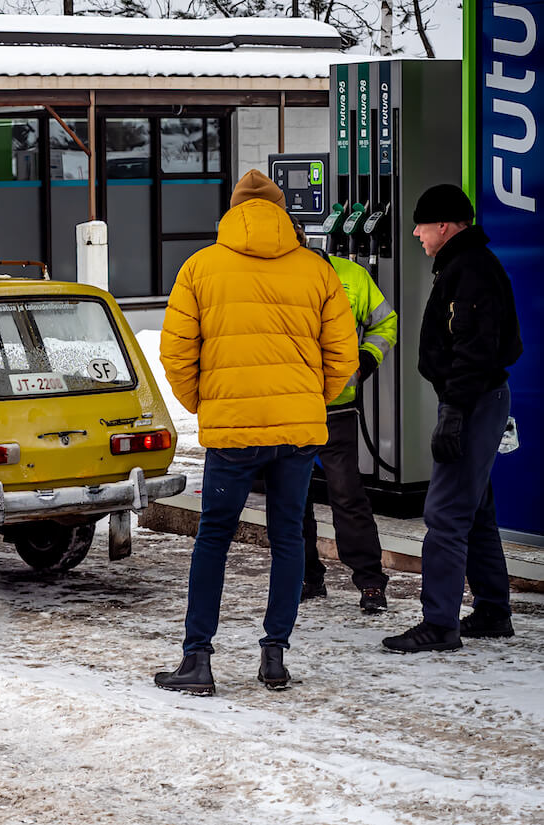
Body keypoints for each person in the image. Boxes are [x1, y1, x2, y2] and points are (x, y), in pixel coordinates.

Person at [154, 169, 358, 695]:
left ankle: (197, 659)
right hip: (297, 433)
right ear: (281, 212)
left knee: (215, 538)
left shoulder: (200, 266)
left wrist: (205, 402)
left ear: (233, 212)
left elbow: (176, 352)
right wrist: (312, 398)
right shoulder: (316, 269)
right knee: (288, 537)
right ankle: (274, 657)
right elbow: (343, 354)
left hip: (233, 435)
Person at [383, 183, 522, 653]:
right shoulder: (463, 265)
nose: (417, 234)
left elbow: (474, 351)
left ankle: (439, 624)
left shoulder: (471, 271)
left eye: (422, 224)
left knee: (443, 513)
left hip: (474, 402)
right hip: (475, 400)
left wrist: (455, 414)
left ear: (444, 225)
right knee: (475, 510)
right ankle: (492, 610)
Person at [299, 243, 398, 613]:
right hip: (290, 410)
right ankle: (307, 577)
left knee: (348, 497)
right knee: (292, 500)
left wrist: (366, 361)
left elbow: (385, 322)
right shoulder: (276, 277)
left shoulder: (352, 276)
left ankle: (371, 583)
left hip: (336, 409)